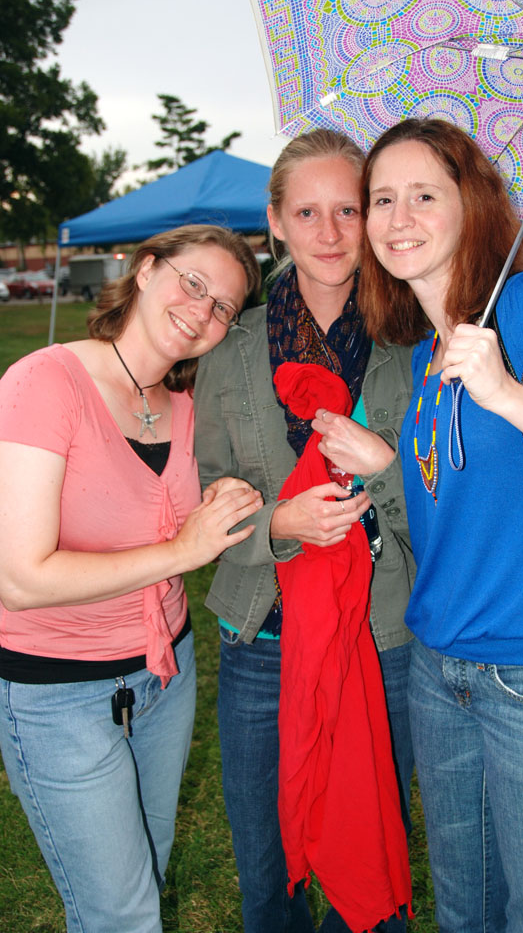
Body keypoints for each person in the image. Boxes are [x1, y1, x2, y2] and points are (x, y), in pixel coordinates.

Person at [326, 116, 523, 933]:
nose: (398, 219)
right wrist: (391, 462)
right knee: (465, 911)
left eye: (424, 195)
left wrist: (509, 395)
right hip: (441, 671)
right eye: (382, 199)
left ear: (472, 206)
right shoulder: (427, 353)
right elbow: (481, 494)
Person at [0, 224, 264, 933]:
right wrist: (184, 549)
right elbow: (19, 578)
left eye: (222, 309)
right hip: (57, 697)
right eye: (193, 284)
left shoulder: (185, 410)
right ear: (146, 270)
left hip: (162, 682)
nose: (202, 312)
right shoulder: (43, 383)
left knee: (147, 868)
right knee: (124, 915)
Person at [193, 128, 415, 933]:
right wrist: (277, 522)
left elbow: (445, 492)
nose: (329, 233)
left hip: (380, 633)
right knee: (270, 870)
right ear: (276, 221)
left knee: (373, 863)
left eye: (349, 210)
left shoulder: (414, 341)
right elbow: (201, 491)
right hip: (262, 630)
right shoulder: (231, 345)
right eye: (308, 212)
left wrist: (387, 467)